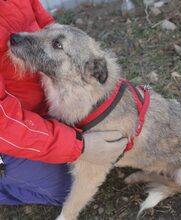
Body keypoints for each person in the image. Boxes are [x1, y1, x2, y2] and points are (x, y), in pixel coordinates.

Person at [0, 0, 127, 206]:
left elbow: (48, 26)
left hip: (38, 110)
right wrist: (80, 146)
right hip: (8, 132)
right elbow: (3, 128)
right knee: (70, 189)